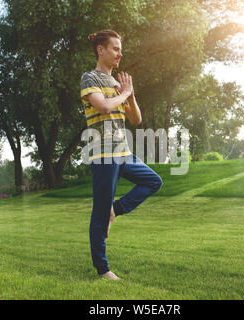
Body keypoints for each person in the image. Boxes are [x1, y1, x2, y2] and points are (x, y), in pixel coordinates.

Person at [80, 29, 163, 280]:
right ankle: (102, 269)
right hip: (102, 153)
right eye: (115, 48)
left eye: (120, 49)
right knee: (99, 211)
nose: (120, 53)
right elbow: (103, 106)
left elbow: (136, 119)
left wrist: (131, 94)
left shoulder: (118, 85)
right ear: (101, 50)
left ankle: (115, 210)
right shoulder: (89, 78)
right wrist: (124, 94)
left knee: (153, 181)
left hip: (122, 151)